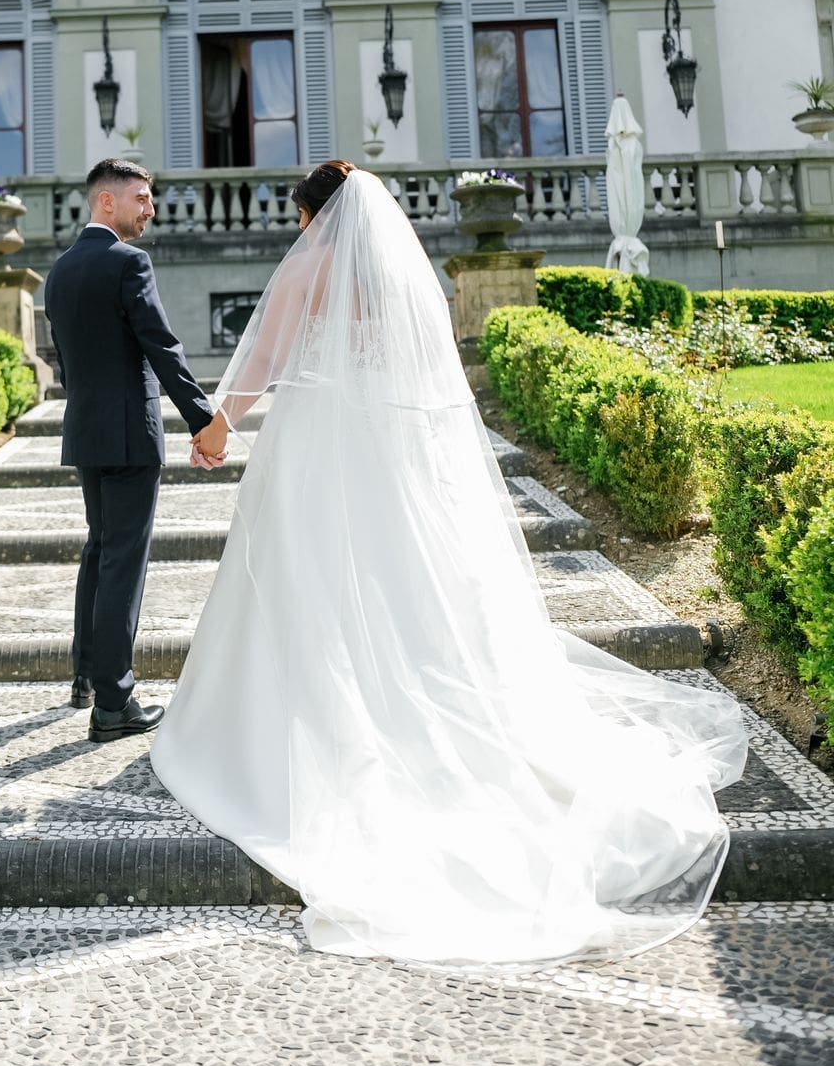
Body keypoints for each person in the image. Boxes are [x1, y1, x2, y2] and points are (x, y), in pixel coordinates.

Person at [150, 160, 749, 967]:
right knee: (403, 581)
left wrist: (218, 426)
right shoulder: (400, 274)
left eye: (300, 218)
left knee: (306, 575)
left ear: (316, 217)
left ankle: (283, 718)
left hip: (319, 443)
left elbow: (262, 360)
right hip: (390, 448)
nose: (299, 231)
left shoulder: (310, 266)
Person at [42, 157, 230, 744]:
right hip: (129, 433)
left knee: (100, 550)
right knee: (122, 561)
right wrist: (205, 421)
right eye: (142, 198)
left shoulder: (60, 270)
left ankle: (85, 676)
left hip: (87, 431)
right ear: (108, 200)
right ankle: (114, 703)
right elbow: (161, 347)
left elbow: (67, 363)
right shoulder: (129, 262)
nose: (151, 209)